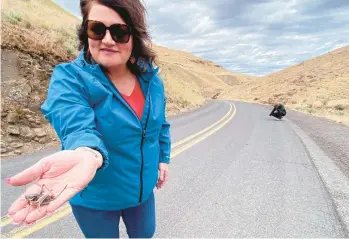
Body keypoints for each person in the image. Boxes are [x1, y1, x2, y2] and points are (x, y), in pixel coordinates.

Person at [6, 0, 171, 238]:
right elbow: (75, 124)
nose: (107, 40)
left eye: (119, 31)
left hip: (142, 193)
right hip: (95, 199)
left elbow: (160, 125)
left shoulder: (153, 81)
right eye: (97, 29)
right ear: (86, 31)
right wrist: (88, 153)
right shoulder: (70, 78)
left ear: (135, 35)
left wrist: (163, 158)